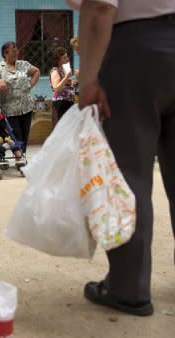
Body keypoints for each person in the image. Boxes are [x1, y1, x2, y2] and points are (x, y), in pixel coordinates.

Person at [75, 0, 175, 316]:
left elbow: (100, 8)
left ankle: (128, 287)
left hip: (136, 49)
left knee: (129, 174)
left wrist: (88, 80)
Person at [0, 42, 40, 164]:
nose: (16, 52)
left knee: (24, 133)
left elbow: (37, 71)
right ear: (6, 53)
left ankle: (22, 157)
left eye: (17, 49)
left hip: (26, 106)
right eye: (13, 50)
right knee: (14, 134)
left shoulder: (22, 64)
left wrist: (30, 85)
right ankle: (19, 157)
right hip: (10, 108)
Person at [49, 47, 76, 127]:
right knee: (65, 125)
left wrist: (72, 83)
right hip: (61, 101)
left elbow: (66, 85)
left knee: (70, 125)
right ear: (58, 60)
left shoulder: (64, 69)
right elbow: (56, 88)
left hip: (68, 100)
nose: (67, 59)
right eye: (64, 57)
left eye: (67, 56)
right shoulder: (55, 71)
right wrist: (66, 77)